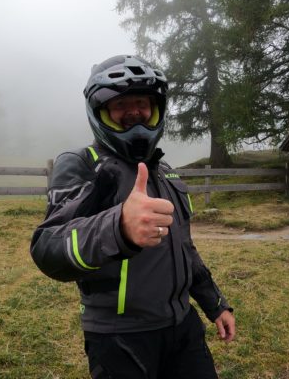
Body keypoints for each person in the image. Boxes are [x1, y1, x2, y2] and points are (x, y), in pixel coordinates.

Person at [30, 55, 235, 379]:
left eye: (143, 103)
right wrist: (118, 227)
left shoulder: (166, 174)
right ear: (100, 112)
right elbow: (47, 247)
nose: (135, 113)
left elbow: (184, 248)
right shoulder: (84, 165)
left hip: (183, 327)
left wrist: (216, 304)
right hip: (119, 338)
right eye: (121, 104)